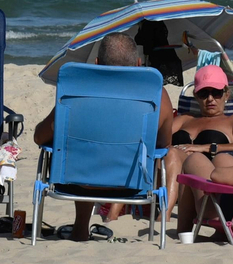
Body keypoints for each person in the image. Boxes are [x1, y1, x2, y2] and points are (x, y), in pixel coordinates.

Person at [33, 33, 173, 242]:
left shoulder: (76, 90)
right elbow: (164, 143)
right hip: (132, 185)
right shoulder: (157, 95)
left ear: (97, 63)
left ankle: (80, 228)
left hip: (76, 182)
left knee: (82, 151)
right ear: (138, 63)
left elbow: (39, 137)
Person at [164, 64, 233, 237]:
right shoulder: (184, 119)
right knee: (176, 155)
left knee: (196, 160)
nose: (210, 99)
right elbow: (158, 140)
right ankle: (167, 217)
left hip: (212, 177)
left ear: (226, 94)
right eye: (204, 94)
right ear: (196, 96)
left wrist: (207, 147)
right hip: (177, 172)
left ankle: (185, 226)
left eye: (216, 92)